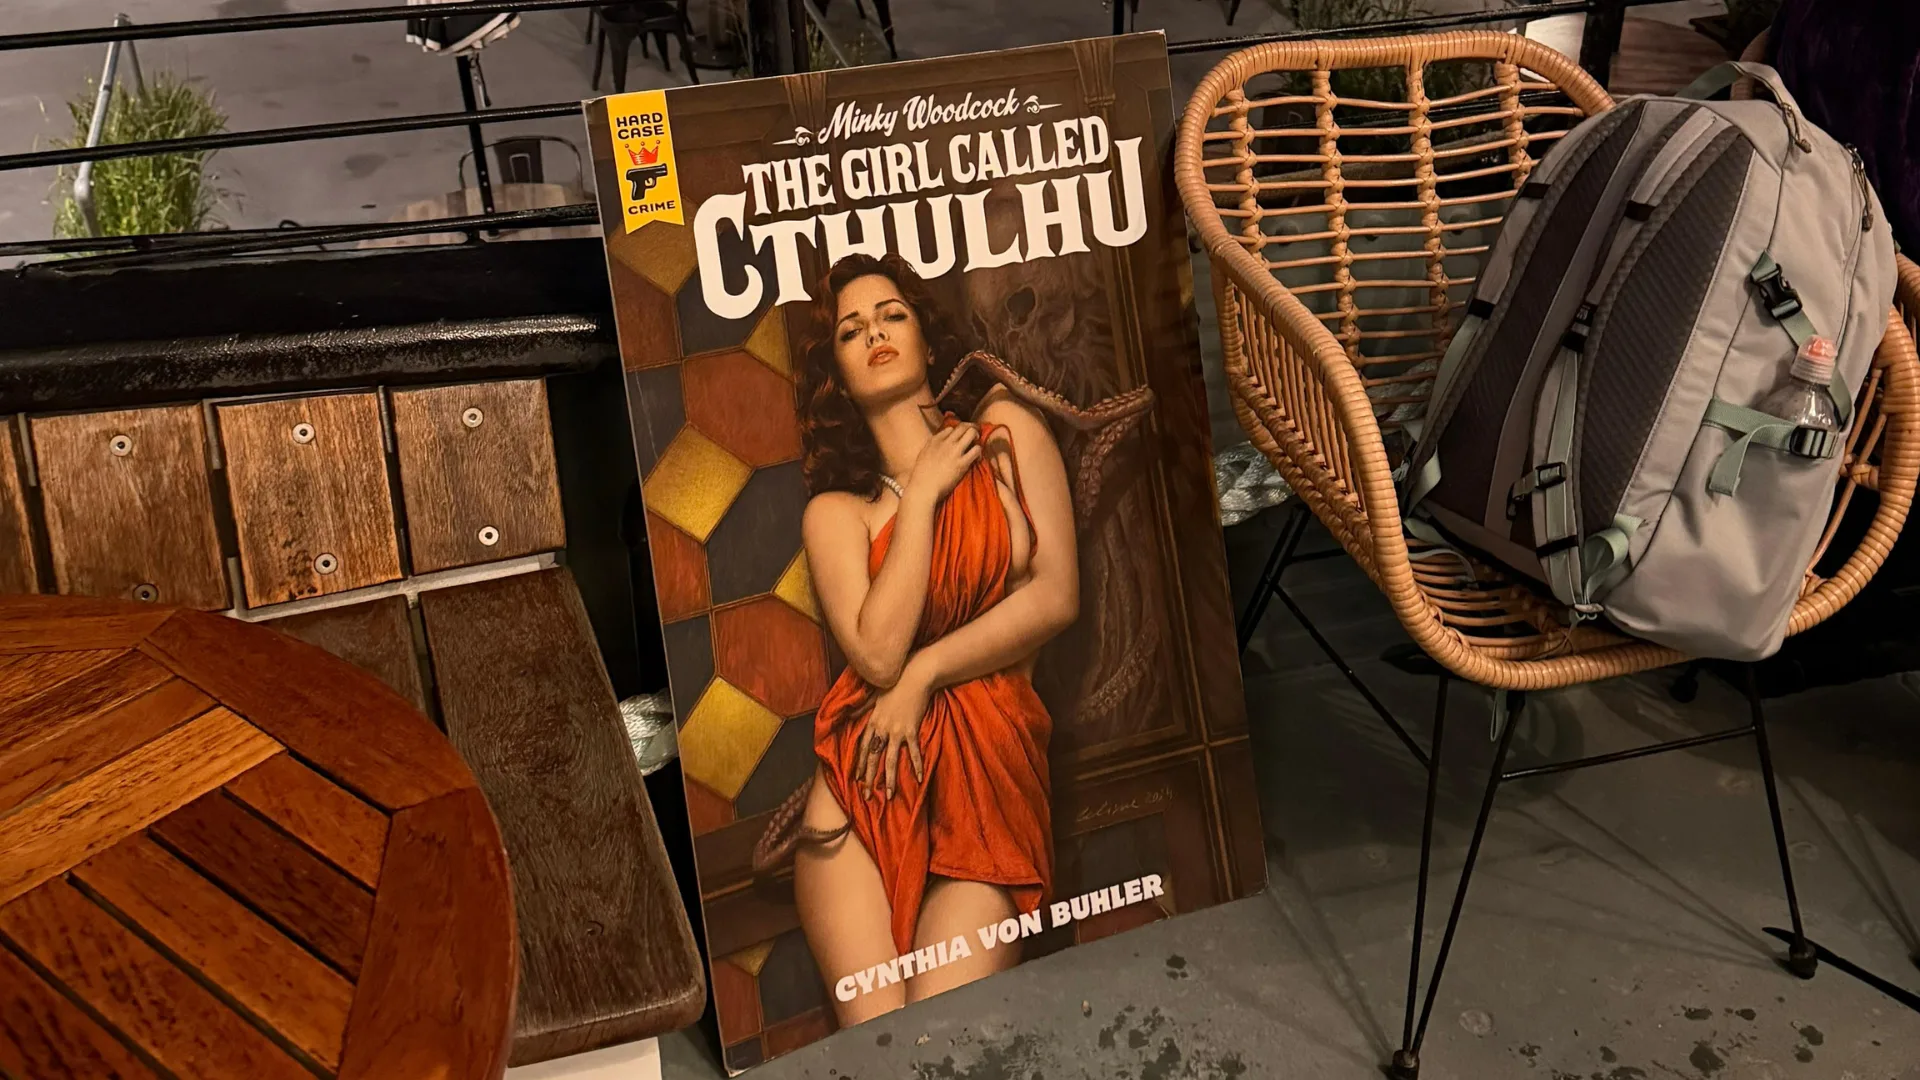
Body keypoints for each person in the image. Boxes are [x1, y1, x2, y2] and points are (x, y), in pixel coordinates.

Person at [786, 252, 1080, 1025]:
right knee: (879, 1049)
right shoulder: (836, 515)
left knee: (941, 1041)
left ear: (925, 336)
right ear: (837, 375)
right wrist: (918, 499)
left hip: (987, 785)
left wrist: (924, 677)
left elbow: (1057, 597)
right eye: (851, 330)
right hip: (863, 791)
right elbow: (878, 656)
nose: (875, 333)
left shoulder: (1004, 434)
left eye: (892, 315)